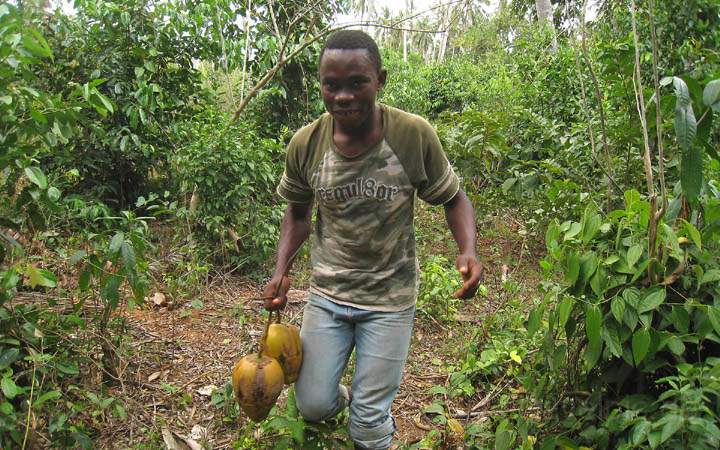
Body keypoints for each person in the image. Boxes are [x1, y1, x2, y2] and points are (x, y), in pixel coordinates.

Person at [262, 29, 483, 450]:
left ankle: (371, 419)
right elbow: (297, 212)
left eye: (357, 83)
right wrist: (280, 273)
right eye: (332, 85)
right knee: (311, 403)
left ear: (380, 79)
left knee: (366, 422)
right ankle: (350, 398)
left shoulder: (412, 135)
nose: (343, 96)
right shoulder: (307, 143)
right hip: (327, 295)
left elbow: (454, 198)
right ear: (320, 85)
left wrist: (467, 250)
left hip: (389, 300)